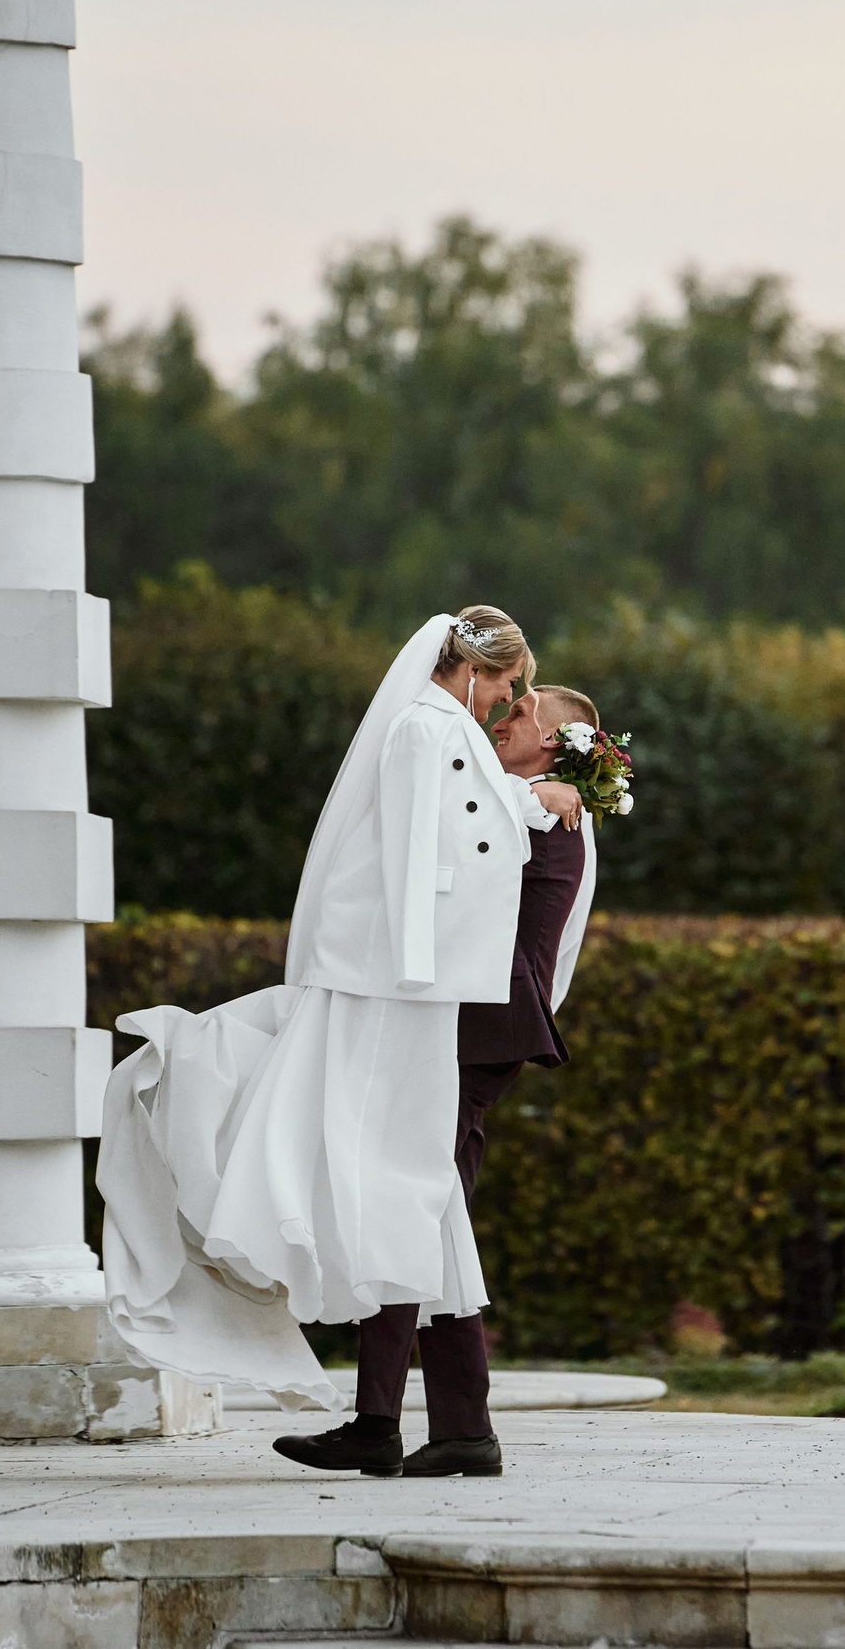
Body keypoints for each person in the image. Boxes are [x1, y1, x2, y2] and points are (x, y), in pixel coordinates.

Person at [96, 608, 582, 1422]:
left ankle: (410, 1423)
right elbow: (432, 847)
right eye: (506, 684)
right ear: (472, 667)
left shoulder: (437, 730)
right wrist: (423, 966)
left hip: (421, 995)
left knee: (410, 1189)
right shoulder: (430, 729)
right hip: (408, 991)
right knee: (405, 1187)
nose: (506, 702)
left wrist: (536, 801)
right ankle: (431, 1424)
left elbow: (466, 828)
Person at [272, 684, 602, 1479]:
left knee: (408, 1202)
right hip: (475, 1026)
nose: (503, 716)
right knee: (432, 1211)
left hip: (478, 1030)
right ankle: (453, 1427)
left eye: (523, 716)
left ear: (559, 747)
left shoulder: (544, 813)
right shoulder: (524, 799)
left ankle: (383, 1424)